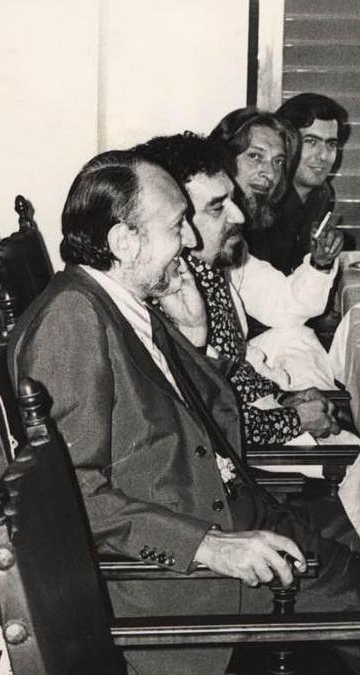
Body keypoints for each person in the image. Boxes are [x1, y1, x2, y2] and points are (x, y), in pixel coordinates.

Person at [6, 150, 360, 675]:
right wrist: (210, 547)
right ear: (123, 242)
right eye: (177, 226)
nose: (192, 241)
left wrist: (194, 338)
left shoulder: (121, 298)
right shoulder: (72, 324)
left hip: (230, 505)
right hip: (181, 577)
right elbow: (73, 498)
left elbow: (208, 422)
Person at [133, 132, 348, 445]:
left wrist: (284, 398)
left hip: (257, 408)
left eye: (279, 161)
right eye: (218, 207)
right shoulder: (170, 289)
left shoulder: (208, 265)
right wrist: (295, 417)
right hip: (239, 448)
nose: (239, 216)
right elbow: (206, 424)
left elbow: (228, 379)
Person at [209, 108, 348, 390]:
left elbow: (281, 306)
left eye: (278, 161)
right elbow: (213, 360)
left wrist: (319, 264)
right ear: (222, 159)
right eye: (255, 156)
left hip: (235, 366)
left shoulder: (231, 238)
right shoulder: (196, 237)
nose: (269, 173)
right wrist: (286, 406)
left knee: (296, 336)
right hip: (208, 388)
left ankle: (326, 414)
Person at [240, 92, 352, 276]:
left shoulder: (321, 194)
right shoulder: (260, 196)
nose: (324, 156)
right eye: (311, 142)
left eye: (331, 144)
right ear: (286, 143)